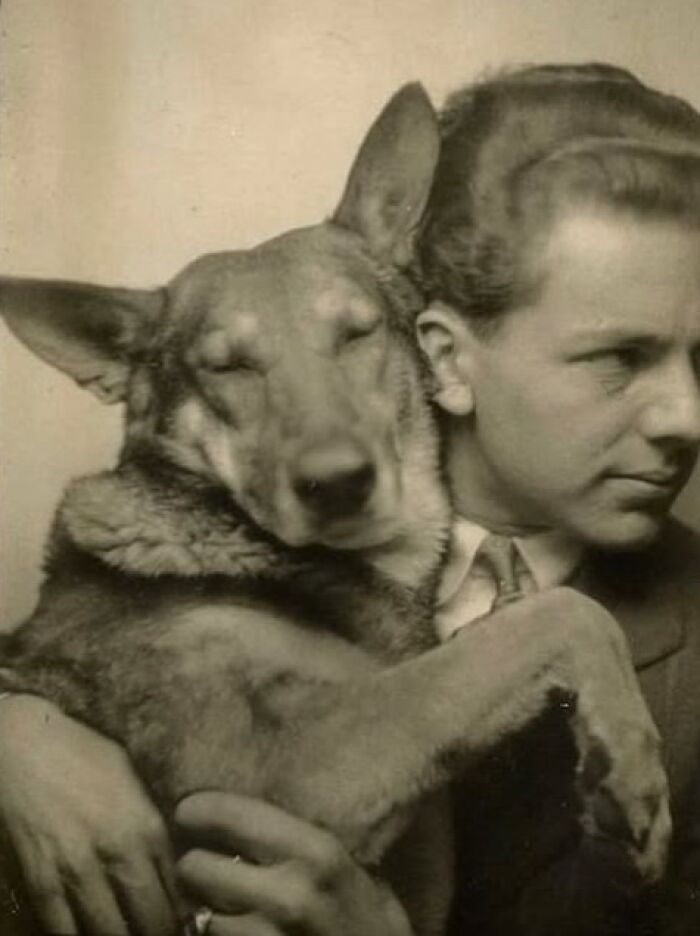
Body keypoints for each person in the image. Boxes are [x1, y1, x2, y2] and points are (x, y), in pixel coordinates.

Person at [1, 62, 700, 935]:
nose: (686, 418)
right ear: (442, 356)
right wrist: (14, 729)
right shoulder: (169, 588)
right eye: (617, 357)